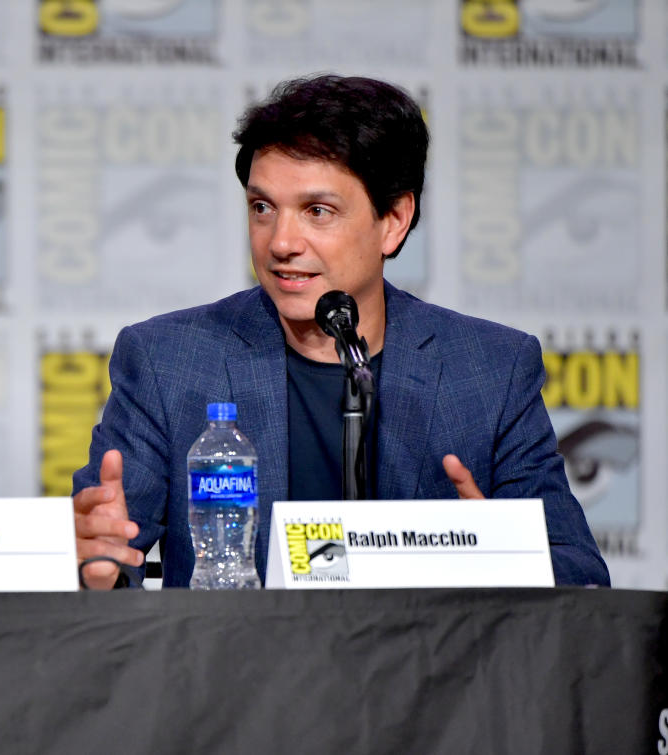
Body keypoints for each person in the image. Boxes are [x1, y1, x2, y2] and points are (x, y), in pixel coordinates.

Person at [73, 74, 608, 589]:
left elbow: (578, 572)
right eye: (262, 208)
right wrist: (96, 570)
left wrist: (493, 557)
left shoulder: (490, 370)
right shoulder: (171, 361)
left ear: (394, 221)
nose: (281, 241)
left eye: (317, 211)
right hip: (236, 675)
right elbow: (106, 552)